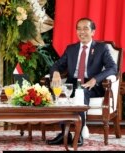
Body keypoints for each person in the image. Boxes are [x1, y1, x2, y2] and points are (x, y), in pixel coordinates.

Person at [47, 18, 117, 146]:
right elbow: (56, 65)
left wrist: (95, 79)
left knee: (81, 93)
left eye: (85, 28)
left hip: (91, 84)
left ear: (93, 32)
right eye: (78, 29)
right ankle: (65, 134)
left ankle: (78, 134)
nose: (81, 32)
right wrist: (56, 73)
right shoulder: (71, 49)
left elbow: (112, 67)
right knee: (60, 91)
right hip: (72, 82)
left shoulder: (101, 48)